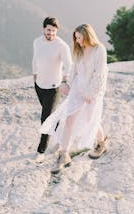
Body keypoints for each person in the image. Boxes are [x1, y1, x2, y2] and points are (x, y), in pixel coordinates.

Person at [40, 24, 108, 174]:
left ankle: (101, 143)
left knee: (91, 119)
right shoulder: (79, 50)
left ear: (87, 35)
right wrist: (67, 83)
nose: (77, 41)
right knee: (69, 119)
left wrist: (91, 93)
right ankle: (64, 155)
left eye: (79, 37)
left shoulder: (99, 50)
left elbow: (100, 74)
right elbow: (74, 70)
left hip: (93, 90)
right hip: (78, 89)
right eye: (76, 38)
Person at [32, 16, 72, 161]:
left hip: (53, 87)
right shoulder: (37, 42)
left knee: (46, 119)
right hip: (39, 86)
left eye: (54, 31)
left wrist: (65, 81)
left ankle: (41, 151)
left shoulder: (61, 46)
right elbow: (35, 58)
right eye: (49, 30)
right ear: (44, 29)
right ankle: (63, 139)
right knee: (51, 117)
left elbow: (69, 66)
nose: (51, 34)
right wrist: (34, 74)